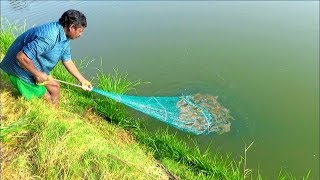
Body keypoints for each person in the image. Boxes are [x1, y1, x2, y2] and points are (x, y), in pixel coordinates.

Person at [0, 9, 92, 106]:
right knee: (46, 99)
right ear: (72, 27)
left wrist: (82, 80)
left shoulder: (64, 36)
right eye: (80, 31)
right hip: (19, 69)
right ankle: (50, 113)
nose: (80, 35)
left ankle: (56, 112)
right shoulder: (49, 37)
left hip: (34, 66)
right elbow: (21, 57)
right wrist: (38, 74)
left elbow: (67, 60)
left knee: (55, 87)